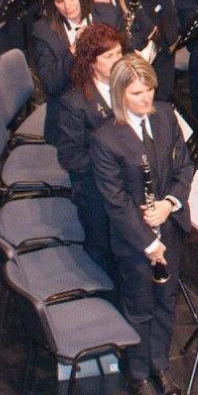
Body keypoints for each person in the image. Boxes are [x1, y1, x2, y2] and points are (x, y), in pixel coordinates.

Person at [90, 54, 195, 395]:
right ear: (120, 94)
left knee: (165, 300)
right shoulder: (105, 139)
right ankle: (137, 375)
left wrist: (169, 203)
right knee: (138, 306)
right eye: (137, 93)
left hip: (169, 226)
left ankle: (159, 364)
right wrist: (149, 243)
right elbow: (116, 203)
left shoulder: (165, 115)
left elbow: (184, 167)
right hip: (134, 240)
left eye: (149, 89)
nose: (146, 98)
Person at [50, 21, 125, 277]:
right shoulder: (74, 103)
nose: (118, 60)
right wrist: (110, 166)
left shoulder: (127, 87)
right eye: (109, 56)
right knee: (108, 256)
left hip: (123, 181)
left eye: (119, 53)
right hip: (95, 188)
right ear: (92, 62)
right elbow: (70, 157)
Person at [32, 0, 122, 107]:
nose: (67, 7)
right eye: (59, 1)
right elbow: (51, 85)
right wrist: (74, 49)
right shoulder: (43, 31)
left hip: (112, 93)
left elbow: (126, 57)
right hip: (71, 103)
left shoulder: (109, 14)